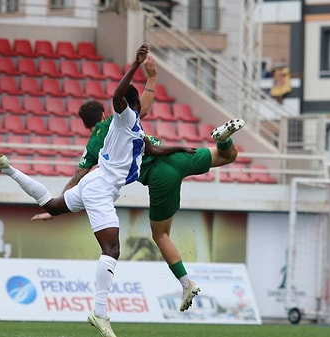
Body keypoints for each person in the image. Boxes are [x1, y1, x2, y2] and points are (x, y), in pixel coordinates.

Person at [0, 43, 194, 337]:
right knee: (112, 249)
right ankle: (100, 313)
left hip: (92, 183)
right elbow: (118, 95)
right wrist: (134, 66)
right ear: (131, 105)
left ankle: (7, 167)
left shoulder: (136, 127)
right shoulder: (124, 117)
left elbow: (152, 149)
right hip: (101, 188)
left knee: (52, 206)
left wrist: (179, 147)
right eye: (136, 102)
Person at [32, 69, 245, 313]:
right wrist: (151, 77)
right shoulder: (123, 118)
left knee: (161, 235)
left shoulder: (95, 143)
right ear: (103, 113)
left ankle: (187, 283)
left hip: (159, 177)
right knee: (228, 156)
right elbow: (142, 108)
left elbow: (77, 178)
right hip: (175, 155)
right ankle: (223, 138)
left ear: (84, 124)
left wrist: (54, 209)